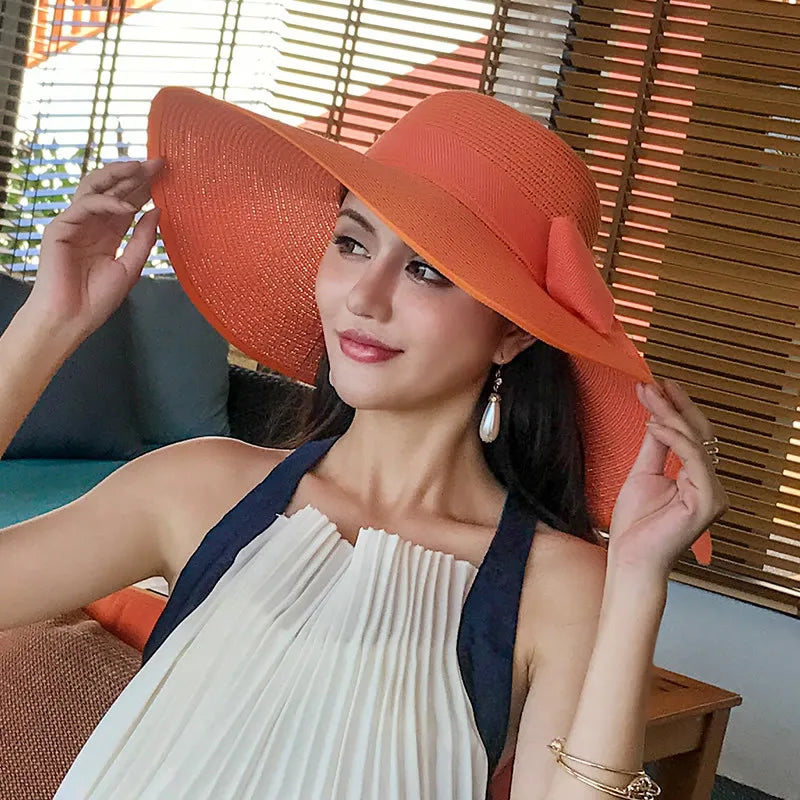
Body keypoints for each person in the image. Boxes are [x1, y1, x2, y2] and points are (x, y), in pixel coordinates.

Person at [0, 87, 728, 800]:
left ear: (512, 332)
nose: (363, 297)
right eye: (352, 243)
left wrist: (638, 582)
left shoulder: (559, 585)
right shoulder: (198, 487)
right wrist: (48, 324)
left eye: (427, 270)